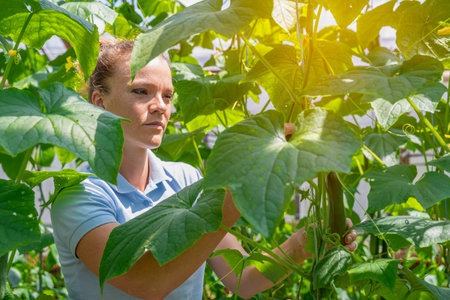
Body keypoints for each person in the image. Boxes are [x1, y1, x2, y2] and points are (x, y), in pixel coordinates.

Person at [50, 39, 357, 300]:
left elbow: (241, 279)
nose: (161, 106)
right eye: (141, 91)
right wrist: (235, 194)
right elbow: (145, 282)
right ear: (99, 102)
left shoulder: (187, 179)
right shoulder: (78, 192)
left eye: (167, 95)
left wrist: (300, 246)